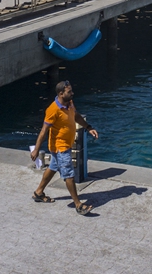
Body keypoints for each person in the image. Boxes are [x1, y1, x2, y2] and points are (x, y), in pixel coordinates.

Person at [30, 80, 99, 215]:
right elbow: (44, 131)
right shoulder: (53, 110)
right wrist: (36, 150)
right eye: (69, 92)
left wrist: (88, 127)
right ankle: (78, 204)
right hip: (60, 147)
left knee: (53, 167)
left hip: (65, 144)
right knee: (69, 175)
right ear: (61, 93)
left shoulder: (69, 103)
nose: (72, 93)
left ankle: (39, 192)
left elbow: (76, 116)